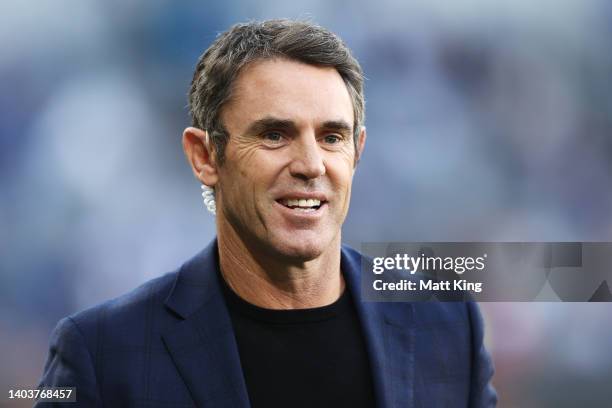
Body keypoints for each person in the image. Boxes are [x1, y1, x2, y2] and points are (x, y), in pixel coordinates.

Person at [36, 19, 497, 407]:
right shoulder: (102, 353)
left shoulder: (446, 325)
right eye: (275, 135)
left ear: (357, 152)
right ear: (205, 156)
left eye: (332, 137)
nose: (311, 164)